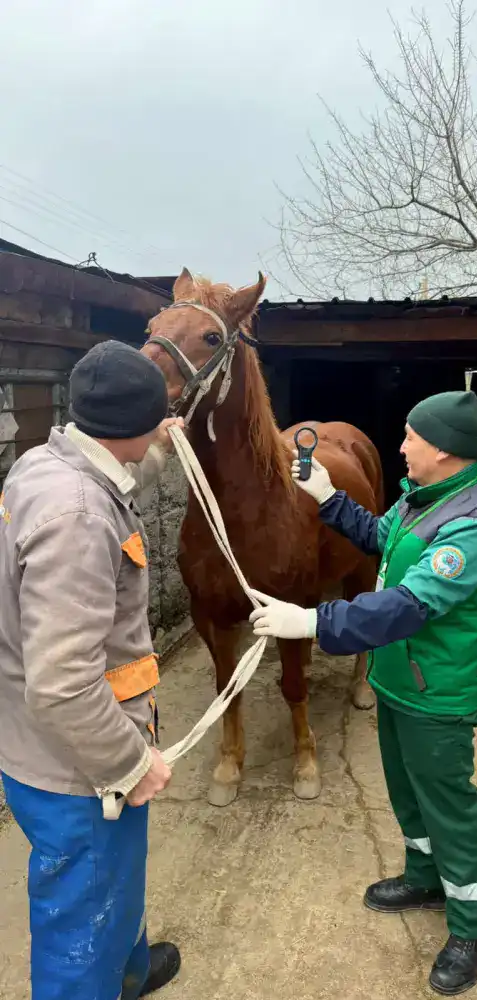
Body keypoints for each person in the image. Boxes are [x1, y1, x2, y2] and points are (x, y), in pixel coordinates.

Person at [249, 390, 477, 996]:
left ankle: (473, 925)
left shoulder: (475, 526)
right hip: (399, 680)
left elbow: (407, 604)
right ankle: (424, 877)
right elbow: (378, 536)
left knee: (449, 808)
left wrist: (315, 622)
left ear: (443, 448)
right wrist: (326, 496)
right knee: (407, 793)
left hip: (437, 695)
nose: (400, 446)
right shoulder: (426, 500)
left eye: (410, 437)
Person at [0, 340, 185, 1000]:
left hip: (49, 743)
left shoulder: (45, 463)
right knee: (81, 923)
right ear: (135, 427)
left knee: (115, 887)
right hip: (78, 770)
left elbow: (118, 474)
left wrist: (157, 434)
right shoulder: (79, 516)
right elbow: (62, 684)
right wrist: (127, 763)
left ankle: (127, 974)